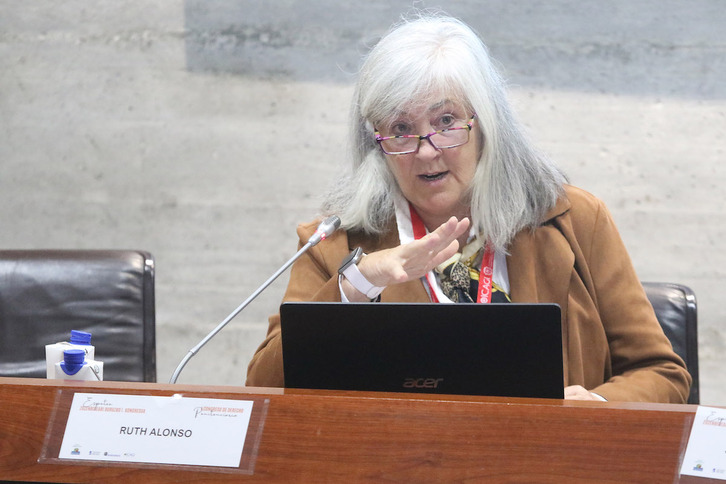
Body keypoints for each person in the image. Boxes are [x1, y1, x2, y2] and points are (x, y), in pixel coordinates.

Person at [246, 14, 691, 403]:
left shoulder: (574, 219)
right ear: (376, 144)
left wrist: (596, 403)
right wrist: (360, 281)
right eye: (401, 129)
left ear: (485, 123)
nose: (426, 150)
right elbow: (264, 389)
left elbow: (663, 374)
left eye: (445, 121)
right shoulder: (338, 241)